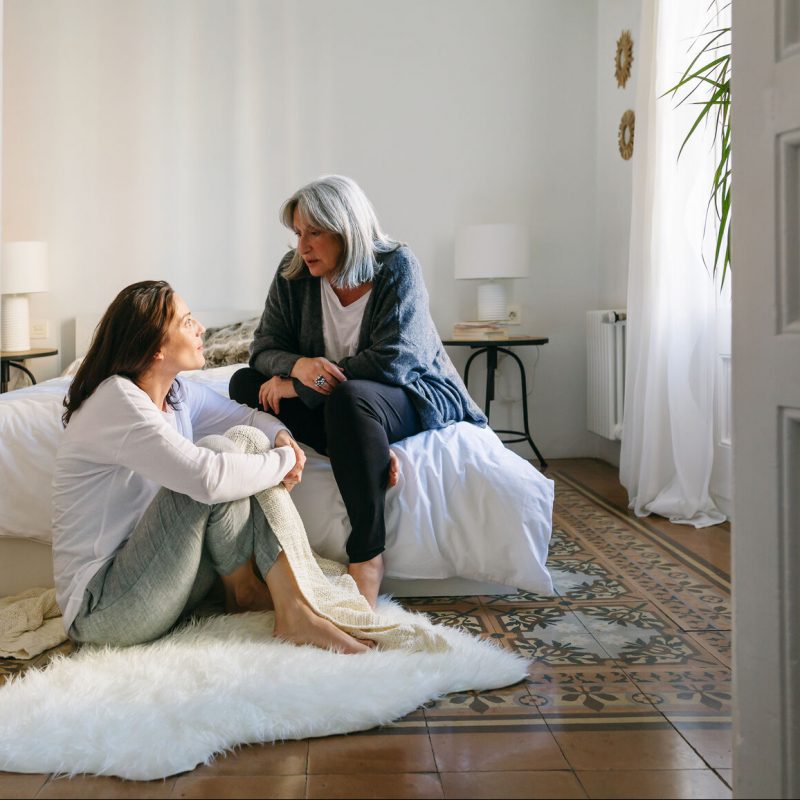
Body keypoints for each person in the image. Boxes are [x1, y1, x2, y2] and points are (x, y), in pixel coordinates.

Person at [52, 279, 371, 654]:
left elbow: (249, 419)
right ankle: (285, 607)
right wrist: (282, 461)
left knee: (238, 441)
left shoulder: (176, 393)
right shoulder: (117, 401)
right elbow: (206, 478)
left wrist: (282, 437)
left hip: (159, 581)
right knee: (218, 454)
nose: (201, 328)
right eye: (187, 322)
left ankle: (259, 598)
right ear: (155, 346)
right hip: (104, 609)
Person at [229, 175, 486, 608]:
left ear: (346, 229)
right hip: (348, 405)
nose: (303, 246)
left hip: (405, 393)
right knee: (242, 384)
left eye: (314, 233)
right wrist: (297, 365)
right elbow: (262, 350)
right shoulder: (293, 273)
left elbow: (394, 360)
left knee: (351, 400)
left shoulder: (396, 266)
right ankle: (361, 444)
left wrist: (298, 386)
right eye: (297, 233)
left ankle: (367, 555)